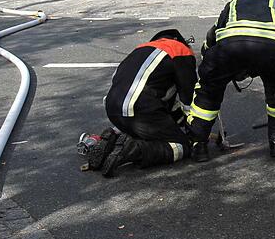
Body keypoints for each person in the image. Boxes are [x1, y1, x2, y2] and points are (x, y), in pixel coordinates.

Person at [187, 0, 275, 161]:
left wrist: (209, 63)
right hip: (272, 49)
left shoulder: (234, 2)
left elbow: (212, 35)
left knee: (208, 93)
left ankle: (199, 146)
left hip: (230, 48)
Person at [79, 29, 197, 177]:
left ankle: (113, 138)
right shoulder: (181, 51)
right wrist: (197, 131)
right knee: (183, 146)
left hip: (113, 109)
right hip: (139, 110)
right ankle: (134, 150)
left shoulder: (141, 49)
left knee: (145, 129)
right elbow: (189, 99)